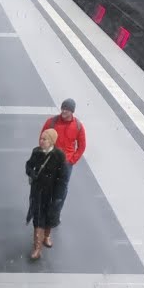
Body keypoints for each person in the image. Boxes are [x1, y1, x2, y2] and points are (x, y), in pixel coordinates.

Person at [39, 99, 86, 247]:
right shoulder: (51, 122)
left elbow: (82, 146)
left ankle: (53, 218)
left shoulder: (78, 126)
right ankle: (47, 219)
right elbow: (42, 139)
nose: (64, 111)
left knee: (59, 195)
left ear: (72, 111)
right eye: (63, 108)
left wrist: (72, 160)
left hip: (65, 165)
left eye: (67, 109)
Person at [25, 128, 67, 260]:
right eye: (41, 138)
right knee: (38, 216)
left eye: (45, 139)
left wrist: (58, 197)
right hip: (38, 191)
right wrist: (32, 173)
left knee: (49, 216)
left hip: (51, 193)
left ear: (52, 141)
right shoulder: (36, 152)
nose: (41, 141)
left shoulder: (59, 155)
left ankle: (46, 236)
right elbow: (29, 165)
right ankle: (37, 248)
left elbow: (62, 178)